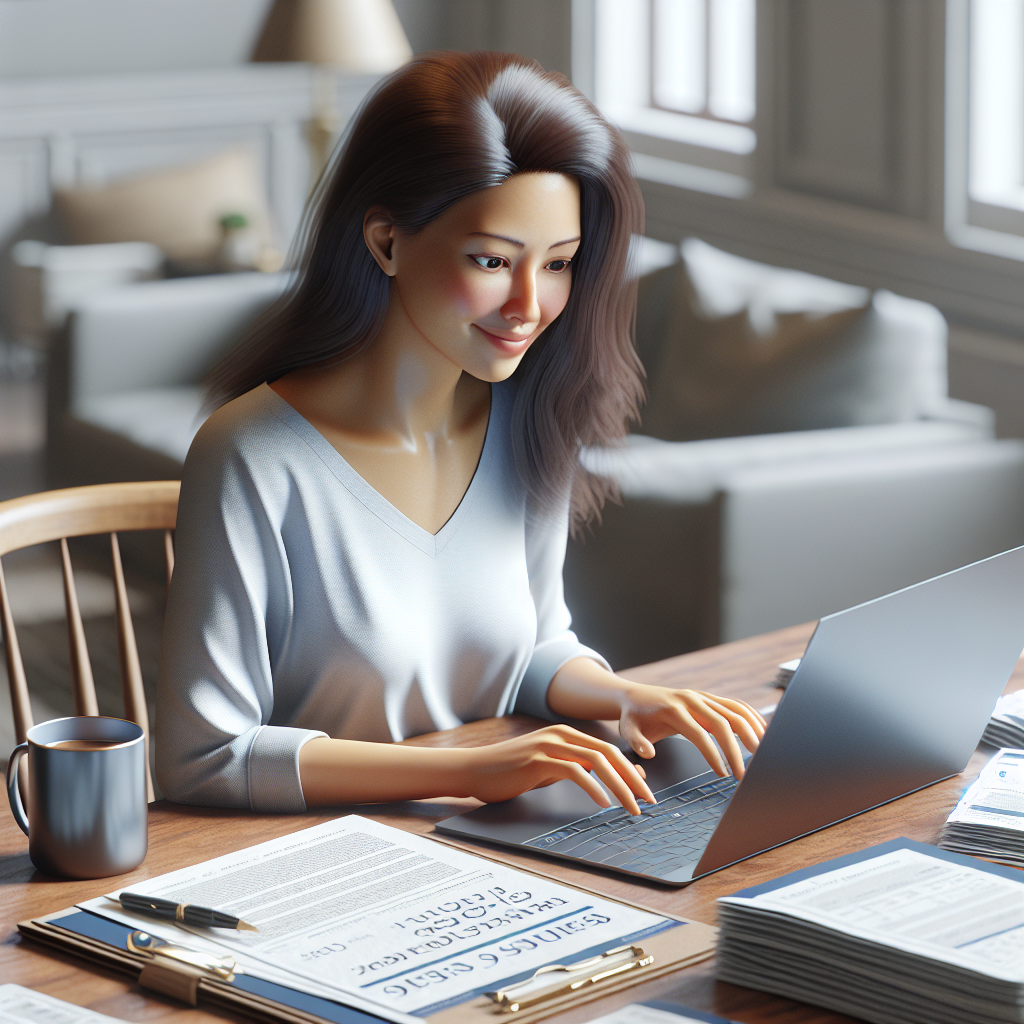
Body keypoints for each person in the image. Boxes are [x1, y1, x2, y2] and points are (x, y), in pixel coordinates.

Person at [155, 51, 765, 814]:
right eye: (491, 261)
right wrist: (471, 774)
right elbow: (205, 756)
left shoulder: (527, 418)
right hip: (323, 864)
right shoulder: (253, 455)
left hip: (500, 842)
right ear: (386, 243)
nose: (529, 305)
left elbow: (532, 650)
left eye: (559, 264)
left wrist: (622, 697)